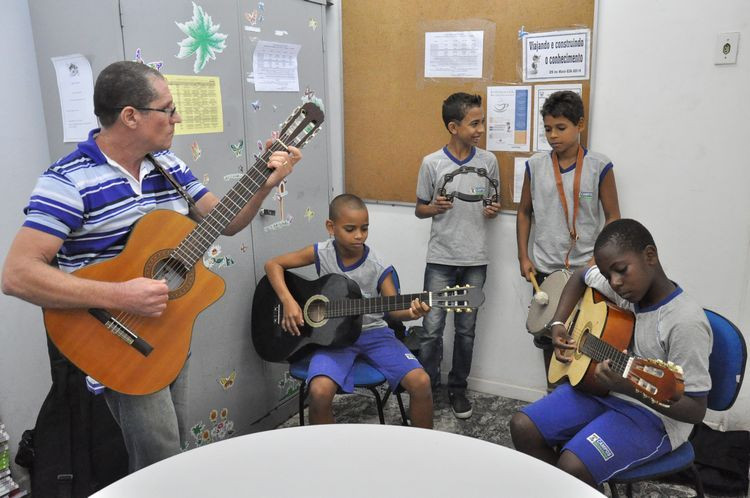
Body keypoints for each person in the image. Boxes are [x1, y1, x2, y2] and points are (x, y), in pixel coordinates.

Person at [1, 61, 301, 472]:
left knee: (169, 445)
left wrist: (263, 181)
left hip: (167, 328)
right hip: (116, 336)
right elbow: (17, 275)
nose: (176, 118)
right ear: (130, 116)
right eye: (168, 109)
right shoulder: (68, 182)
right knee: (160, 458)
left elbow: (226, 221)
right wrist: (121, 294)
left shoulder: (168, 166)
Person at [510, 218, 712, 488]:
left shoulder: (684, 323)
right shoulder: (625, 293)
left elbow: (695, 410)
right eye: (608, 276)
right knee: (523, 426)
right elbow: (581, 275)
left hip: (657, 419)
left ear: (650, 255)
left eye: (621, 270)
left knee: (572, 465)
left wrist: (628, 386)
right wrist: (559, 322)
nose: (615, 283)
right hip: (604, 390)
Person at [264, 194, 434, 428]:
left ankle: (425, 452)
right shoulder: (320, 252)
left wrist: (411, 313)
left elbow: (394, 310)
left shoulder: (377, 265)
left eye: (365, 229)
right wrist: (288, 301)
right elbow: (273, 264)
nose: (359, 235)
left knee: (421, 381)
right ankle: (328, 455)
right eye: (350, 229)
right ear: (330, 227)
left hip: (374, 334)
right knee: (319, 392)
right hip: (331, 339)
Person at [516, 90, 620, 378]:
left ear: (580, 125)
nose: (553, 136)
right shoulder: (535, 166)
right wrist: (523, 256)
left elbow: (613, 217)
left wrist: (599, 260)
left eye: (561, 128)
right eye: (548, 129)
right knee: (549, 335)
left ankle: (581, 395)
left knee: (586, 337)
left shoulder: (600, 166)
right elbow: (524, 212)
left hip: (586, 269)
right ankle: (553, 391)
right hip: (545, 269)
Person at [414, 92, 500, 419]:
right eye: (474, 123)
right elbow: (420, 209)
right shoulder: (431, 163)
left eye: (482, 121)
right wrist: (432, 208)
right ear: (454, 126)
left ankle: (458, 389)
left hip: (475, 259)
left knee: (466, 330)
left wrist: (493, 211)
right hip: (441, 259)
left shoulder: (488, 162)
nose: (480, 128)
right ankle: (426, 389)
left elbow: (494, 203)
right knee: (432, 328)